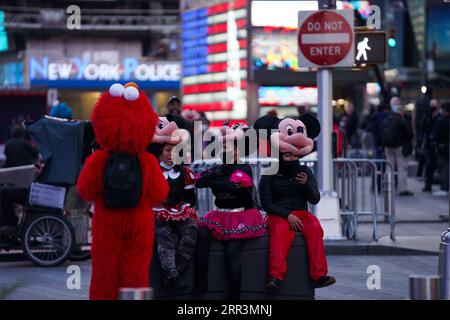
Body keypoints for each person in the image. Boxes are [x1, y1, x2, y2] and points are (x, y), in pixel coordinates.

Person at [255, 114, 335, 290]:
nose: (291, 158)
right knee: (279, 230)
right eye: (287, 155)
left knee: (314, 226)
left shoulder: (305, 171)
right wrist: (287, 215)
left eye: (293, 156)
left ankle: (319, 275)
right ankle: (275, 276)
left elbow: (315, 198)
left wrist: (306, 184)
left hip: (301, 213)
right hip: (277, 214)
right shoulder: (269, 173)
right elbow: (266, 203)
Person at [194, 127, 266, 300]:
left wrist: (215, 180)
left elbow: (231, 184)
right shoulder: (220, 167)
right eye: (222, 146)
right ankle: (200, 284)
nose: (223, 149)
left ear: (237, 150)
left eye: (228, 146)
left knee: (231, 253)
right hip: (220, 215)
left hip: (242, 217)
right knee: (202, 235)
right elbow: (199, 182)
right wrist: (216, 176)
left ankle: (234, 299)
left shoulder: (244, 168)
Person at [153, 143, 199, 290]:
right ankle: (171, 274)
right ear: (160, 152)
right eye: (167, 150)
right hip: (156, 210)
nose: (171, 154)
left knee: (191, 228)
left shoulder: (184, 172)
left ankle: (176, 273)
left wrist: (184, 207)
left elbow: (191, 199)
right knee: (164, 233)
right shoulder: (152, 171)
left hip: (178, 210)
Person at [380, 97, 414, 196]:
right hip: (400, 147)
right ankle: (402, 189)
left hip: (387, 146)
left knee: (389, 167)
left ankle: (388, 187)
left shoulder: (386, 119)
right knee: (401, 168)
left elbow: (380, 132)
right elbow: (410, 134)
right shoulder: (402, 119)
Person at [431, 101, 450, 197]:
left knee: (445, 168)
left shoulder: (440, 120)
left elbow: (435, 135)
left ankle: (444, 188)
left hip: (443, 148)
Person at [421, 99, 440, 192]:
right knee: (428, 166)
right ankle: (428, 185)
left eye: (434, 105)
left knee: (438, 165)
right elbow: (423, 129)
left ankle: (442, 185)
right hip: (429, 145)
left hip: (438, 145)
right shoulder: (427, 117)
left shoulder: (440, 117)